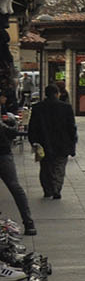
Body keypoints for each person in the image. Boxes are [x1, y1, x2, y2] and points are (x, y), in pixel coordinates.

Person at [27, 84, 76, 200]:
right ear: (57, 94)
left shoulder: (38, 107)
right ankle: (56, 188)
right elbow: (71, 128)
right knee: (59, 167)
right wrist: (72, 144)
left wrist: (33, 142)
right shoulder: (66, 107)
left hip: (44, 143)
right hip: (62, 143)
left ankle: (47, 189)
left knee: (45, 167)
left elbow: (32, 127)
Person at [0, 97, 37, 236]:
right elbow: (11, 131)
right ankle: (28, 222)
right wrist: (13, 125)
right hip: (3, 154)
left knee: (15, 187)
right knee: (15, 187)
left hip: (3, 153)